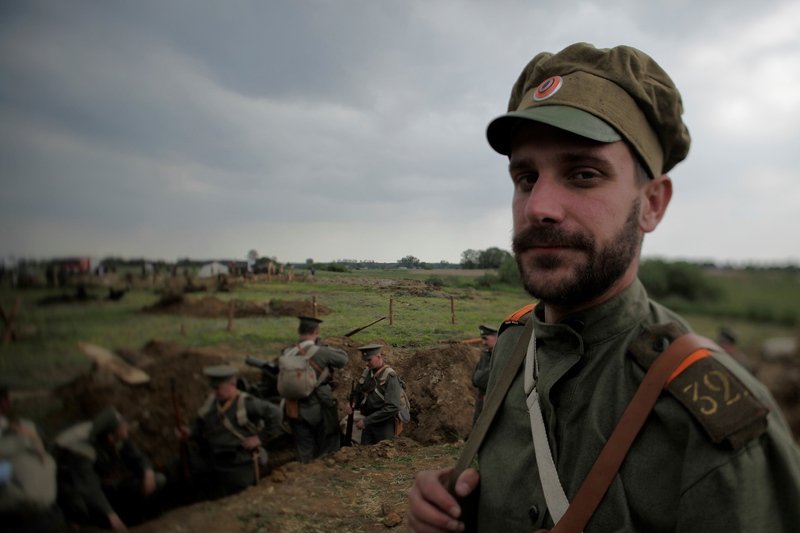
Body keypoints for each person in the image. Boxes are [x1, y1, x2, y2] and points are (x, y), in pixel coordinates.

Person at [407, 42, 800, 532]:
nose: (538, 207)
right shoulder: (513, 349)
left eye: (583, 174)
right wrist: (462, 512)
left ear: (652, 203)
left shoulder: (713, 423)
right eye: (526, 177)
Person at [178, 364, 282, 499]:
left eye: (218, 388)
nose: (214, 392)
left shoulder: (247, 403)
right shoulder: (212, 403)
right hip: (213, 459)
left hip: (238, 462)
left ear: (231, 384)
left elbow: (276, 414)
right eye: (213, 388)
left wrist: (259, 438)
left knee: (236, 493)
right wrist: (189, 432)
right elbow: (201, 425)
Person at [54, 406, 164, 530]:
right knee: (80, 506)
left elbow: (136, 457)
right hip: (79, 492)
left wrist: (147, 472)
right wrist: (111, 515)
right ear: (110, 437)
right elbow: (89, 487)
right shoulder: (81, 449)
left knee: (157, 479)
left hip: (105, 486)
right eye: (122, 427)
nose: (126, 428)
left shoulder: (117, 435)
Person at [281, 316, 348, 463]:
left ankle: (304, 475)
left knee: (303, 447)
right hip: (319, 406)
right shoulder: (320, 351)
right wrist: (323, 346)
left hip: (294, 407)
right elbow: (343, 359)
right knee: (328, 443)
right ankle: (322, 476)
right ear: (316, 331)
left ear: (299, 331)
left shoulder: (287, 351)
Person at [0, 383, 62, 532]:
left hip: (17, 515)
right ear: (6, 402)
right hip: (50, 515)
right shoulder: (28, 428)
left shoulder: (9, 438)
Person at [350, 344, 403, 444]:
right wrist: (353, 402)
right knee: (365, 453)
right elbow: (358, 392)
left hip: (384, 424)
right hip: (368, 420)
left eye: (369, 360)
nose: (367, 364)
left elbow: (393, 407)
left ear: (378, 357)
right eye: (365, 361)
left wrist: (366, 421)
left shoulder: (390, 376)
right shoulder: (367, 373)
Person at [470, 325, 498, 426]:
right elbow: (475, 379)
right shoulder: (485, 355)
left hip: (494, 402)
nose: (483, 342)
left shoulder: (501, 356)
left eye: (486, 339)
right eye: (482, 339)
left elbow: (483, 380)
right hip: (481, 402)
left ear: (496, 337)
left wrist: (481, 377)